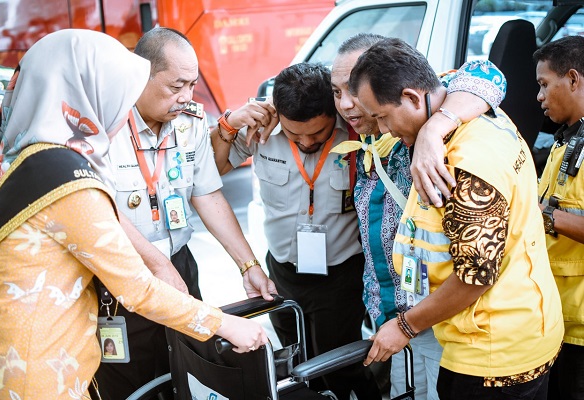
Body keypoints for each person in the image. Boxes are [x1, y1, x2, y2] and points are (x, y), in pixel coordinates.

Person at [0, 29, 268, 400]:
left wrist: (246, 267)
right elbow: (137, 287)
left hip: (39, 363)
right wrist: (225, 324)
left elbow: (206, 193)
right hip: (41, 378)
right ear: (87, 88)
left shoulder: (37, 158)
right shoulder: (63, 175)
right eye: (115, 87)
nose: (121, 102)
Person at [349, 38, 564, 400]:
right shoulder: (467, 106)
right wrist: (433, 129)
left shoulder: (461, 167)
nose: (383, 130)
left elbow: (475, 276)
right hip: (525, 322)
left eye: (383, 116)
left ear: (413, 98)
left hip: (491, 354)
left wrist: (405, 325)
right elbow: (481, 73)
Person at [94, 27, 277, 399]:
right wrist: (158, 267)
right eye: (176, 86)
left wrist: (248, 265)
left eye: (191, 85)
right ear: (139, 75)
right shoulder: (103, 126)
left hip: (180, 268)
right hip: (122, 279)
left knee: (186, 370)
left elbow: (207, 195)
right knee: (131, 383)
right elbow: (103, 209)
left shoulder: (190, 123)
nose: (186, 97)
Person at [329, 33, 507, 400]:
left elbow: (488, 74)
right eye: (336, 92)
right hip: (390, 308)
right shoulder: (367, 129)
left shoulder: (424, 116)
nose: (347, 104)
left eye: (354, 89)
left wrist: (433, 130)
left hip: (441, 314)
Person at [211, 62, 381, 399]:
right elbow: (213, 172)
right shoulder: (262, 129)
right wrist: (228, 125)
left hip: (341, 274)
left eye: (317, 134)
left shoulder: (356, 129)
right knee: (295, 362)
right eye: (294, 134)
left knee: (339, 365)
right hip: (282, 272)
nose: (306, 141)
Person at [533, 35, 584, 400]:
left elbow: (549, 214)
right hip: (557, 320)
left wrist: (544, 217)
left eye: (544, 84)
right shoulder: (565, 139)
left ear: (572, 78)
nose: (539, 96)